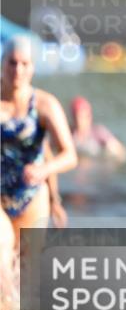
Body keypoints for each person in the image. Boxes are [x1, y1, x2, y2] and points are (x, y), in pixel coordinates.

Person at [1, 36, 78, 251]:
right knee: (3, 267)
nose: (18, 70)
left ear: (33, 67)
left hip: (31, 196)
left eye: (25, 64)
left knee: (26, 277)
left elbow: (68, 155)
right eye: (12, 62)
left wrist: (52, 193)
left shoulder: (45, 105)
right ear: (2, 62)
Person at [69, 96, 126, 163]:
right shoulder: (68, 133)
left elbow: (120, 151)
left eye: (82, 117)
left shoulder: (98, 133)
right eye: (76, 117)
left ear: (89, 116)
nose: (79, 121)